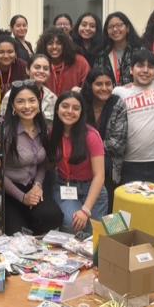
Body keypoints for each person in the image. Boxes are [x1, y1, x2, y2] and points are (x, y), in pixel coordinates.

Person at [2, 83, 63, 235]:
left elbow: (43, 162)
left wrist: (37, 185)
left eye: (32, 100)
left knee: (53, 216)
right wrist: (23, 197)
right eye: (20, 101)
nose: (27, 106)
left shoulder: (44, 128)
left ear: (39, 102)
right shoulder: (6, 132)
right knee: (16, 236)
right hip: (10, 190)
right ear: (13, 106)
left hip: (33, 186)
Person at [113, 49, 154, 184]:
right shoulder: (119, 92)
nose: (145, 70)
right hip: (130, 163)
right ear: (131, 70)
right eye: (140, 65)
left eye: (151, 67)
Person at [50, 91, 108, 233]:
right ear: (57, 109)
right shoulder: (52, 133)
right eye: (65, 106)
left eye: (76, 108)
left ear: (82, 112)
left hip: (92, 188)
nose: (70, 111)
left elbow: (99, 176)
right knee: (73, 224)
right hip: (65, 186)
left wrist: (86, 210)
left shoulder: (91, 136)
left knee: (94, 234)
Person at [81, 67, 128, 210]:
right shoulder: (81, 102)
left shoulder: (117, 103)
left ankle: (112, 233)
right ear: (90, 85)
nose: (104, 88)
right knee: (85, 210)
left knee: (111, 211)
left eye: (108, 84)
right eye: (99, 84)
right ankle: (88, 233)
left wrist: (91, 147)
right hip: (81, 166)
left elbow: (118, 144)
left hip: (110, 169)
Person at [0, 53, 58, 123]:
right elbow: (3, 122)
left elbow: (51, 125)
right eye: (37, 67)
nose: (41, 71)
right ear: (27, 70)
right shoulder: (11, 95)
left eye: (45, 69)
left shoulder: (52, 97)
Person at [35, 27, 90, 95]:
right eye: (50, 43)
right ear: (44, 46)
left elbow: (88, 88)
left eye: (58, 43)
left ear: (65, 45)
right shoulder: (38, 63)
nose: (54, 47)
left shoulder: (80, 62)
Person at [94, 12, 143, 87]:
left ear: (127, 28)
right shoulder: (102, 54)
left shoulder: (139, 51)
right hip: (108, 95)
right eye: (111, 27)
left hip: (133, 95)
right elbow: (96, 78)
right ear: (107, 32)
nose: (115, 29)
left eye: (119, 25)